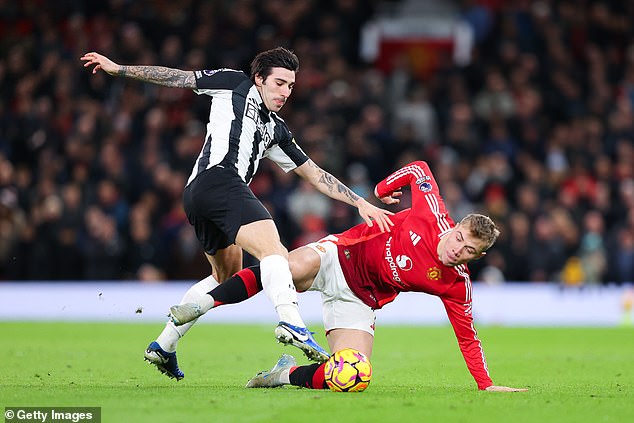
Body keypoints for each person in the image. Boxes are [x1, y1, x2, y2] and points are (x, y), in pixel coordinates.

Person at [81, 47, 394, 380]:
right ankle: (292, 322)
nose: (285, 92)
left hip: (200, 194)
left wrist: (359, 202)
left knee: (226, 279)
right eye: (279, 83)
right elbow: (177, 77)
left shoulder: (276, 129)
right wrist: (119, 69)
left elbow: (315, 174)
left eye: (290, 85)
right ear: (258, 79)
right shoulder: (233, 83)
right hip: (219, 180)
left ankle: (164, 345)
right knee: (274, 251)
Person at [171, 160, 527, 391]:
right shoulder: (432, 213)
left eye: (468, 250)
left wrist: (486, 384)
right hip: (338, 256)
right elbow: (419, 170)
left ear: (477, 257)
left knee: (354, 376)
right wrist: (383, 191)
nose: (457, 248)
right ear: (458, 225)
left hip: (360, 300)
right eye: (459, 237)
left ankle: (283, 374)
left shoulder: (456, 284)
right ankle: (202, 304)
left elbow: (468, 337)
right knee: (287, 267)